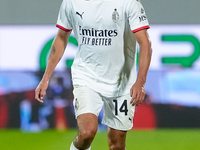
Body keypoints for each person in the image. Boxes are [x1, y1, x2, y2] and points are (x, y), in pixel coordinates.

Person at [35, 0, 152, 149]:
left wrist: (140, 82)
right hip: (86, 76)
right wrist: (45, 78)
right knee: (86, 133)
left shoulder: (128, 3)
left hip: (122, 81)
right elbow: (61, 37)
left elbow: (145, 43)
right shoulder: (71, 2)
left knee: (117, 144)